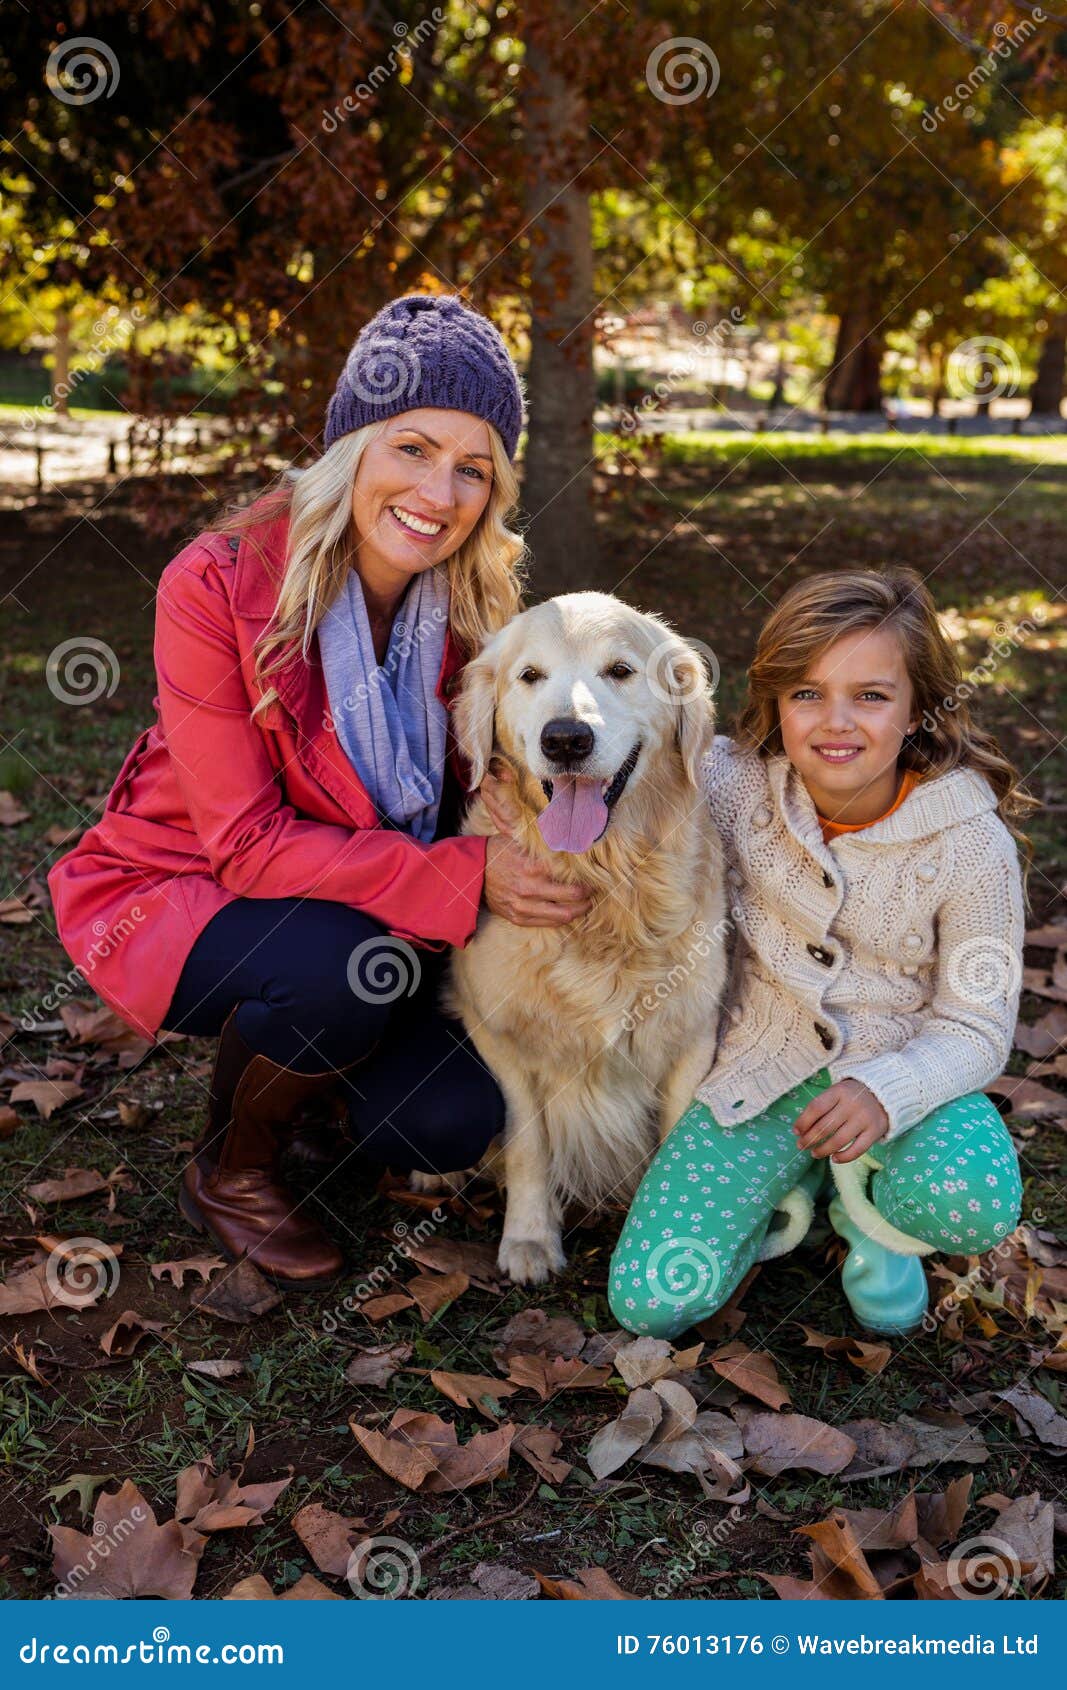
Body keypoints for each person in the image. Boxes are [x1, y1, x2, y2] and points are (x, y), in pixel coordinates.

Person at [47, 293, 593, 1291]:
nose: (438, 491)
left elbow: (510, 776)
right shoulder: (218, 581)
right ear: (351, 445)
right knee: (339, 968)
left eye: (472, 468)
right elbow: (246, 843)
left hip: (382, 906)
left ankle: (315, 1087)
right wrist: (464, 876)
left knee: (444, 1121)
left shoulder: (472, 604)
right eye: (412, 448)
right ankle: (231, 1169)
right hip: (189, 886)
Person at [485, 567, 1035, 1339]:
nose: (835, 723)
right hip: (755, 1083)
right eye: (806, 693)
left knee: (967, 1202)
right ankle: (794, 1187)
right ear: (775, 704)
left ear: (918, 708)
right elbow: (627, 745)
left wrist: (886, 1091)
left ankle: (874, 1220)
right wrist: (501, 800)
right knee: (652, 1299)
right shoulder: (727, 782)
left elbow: (978, 1028)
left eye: (870, 696)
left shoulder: (971, 843)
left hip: (905, 1073)